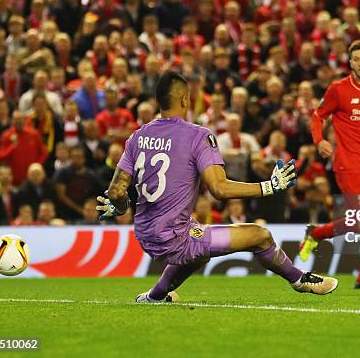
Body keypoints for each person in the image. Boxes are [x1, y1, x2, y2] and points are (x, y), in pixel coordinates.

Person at [96, 71, 337, 303]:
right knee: (260, 236)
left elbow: (116, 191)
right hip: (174, 236)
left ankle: (155, 296)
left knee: (198, 250)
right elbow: (219, 189)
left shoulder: (138, 136)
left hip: (145, 232)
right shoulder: (197, 135)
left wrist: (120, 207)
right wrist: (268, 186)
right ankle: (301, 280)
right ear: (185, 99)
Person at [299, 39, 360, 290]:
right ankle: (316, 234)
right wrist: (319, 140)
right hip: (347, 164)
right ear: (350, 62)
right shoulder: (338, 89)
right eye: (356, 59)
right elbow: (317, 116)